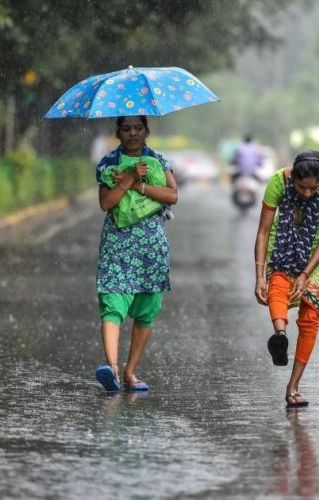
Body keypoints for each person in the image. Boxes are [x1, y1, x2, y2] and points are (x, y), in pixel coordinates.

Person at [93, 115, 179, 392]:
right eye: (127, 129)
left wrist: (140, 185)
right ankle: (113, 369)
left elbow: (172, 195)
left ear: (146, 131)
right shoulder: (108, 164)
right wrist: (126, 180)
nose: (132, 133)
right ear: (118, 132)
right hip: (118, 243)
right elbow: (106, 203)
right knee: (112, 301)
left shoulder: (158, 161)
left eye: (138, 128)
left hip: (150, 245)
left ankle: (131, 372)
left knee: (146, 309)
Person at [253, 150, 319, 408]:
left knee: (310, 316)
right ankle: (279, 336)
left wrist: (305, 274)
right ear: (293, 177)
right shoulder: (277, 182)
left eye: (313, 188)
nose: (307, 193)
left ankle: (293, 387)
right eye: (302, 187)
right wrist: (259, 275)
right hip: (283, 243)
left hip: (318, 253)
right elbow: (263, 231)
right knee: (277, 286)